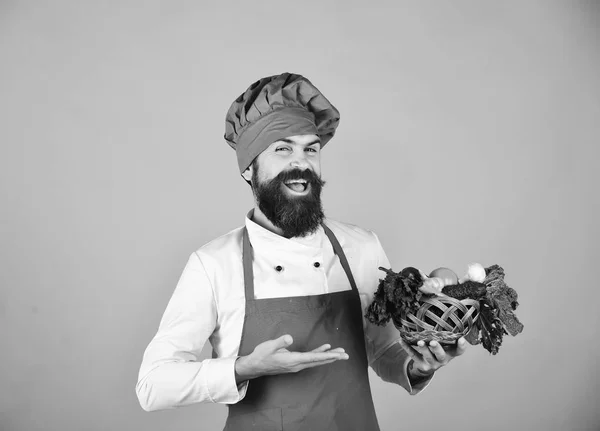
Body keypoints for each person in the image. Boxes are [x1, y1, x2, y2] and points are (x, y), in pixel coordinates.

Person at [135, 72, 467, 430]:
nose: (301, 163)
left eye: (311, 149)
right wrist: (244, 368)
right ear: (249, 169)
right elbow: (152, 385)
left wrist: (418, 367)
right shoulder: (214, 264)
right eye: (283, 148)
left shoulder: (361, 247)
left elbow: (384, 349)